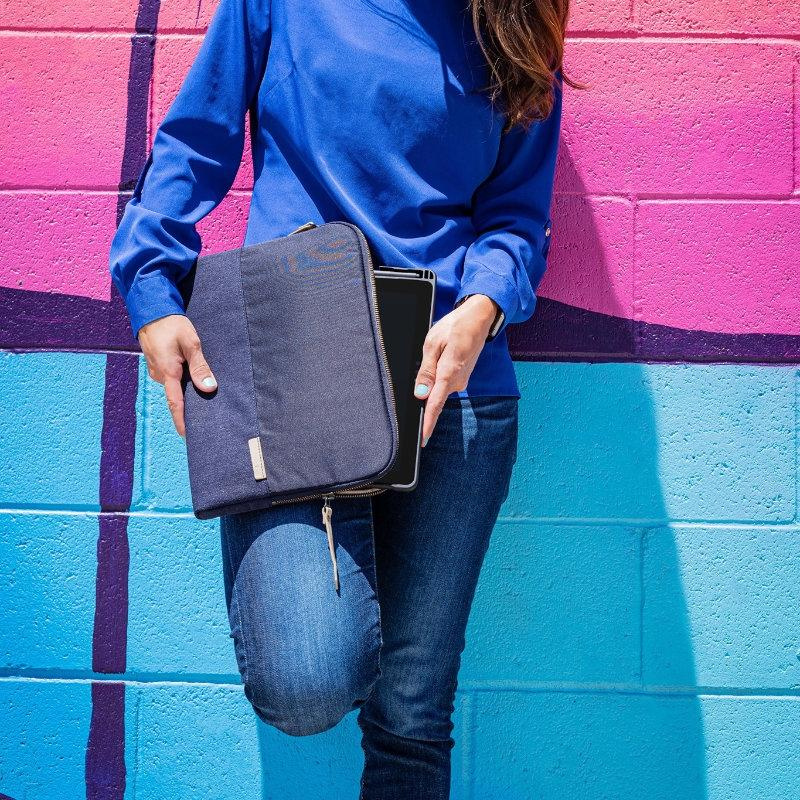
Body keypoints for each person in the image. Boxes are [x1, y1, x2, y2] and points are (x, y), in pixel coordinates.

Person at [109, 1, 575, 796]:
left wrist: (485, 303)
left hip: (452, 395)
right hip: (296, 374)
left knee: (412, 716)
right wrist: (151, 284)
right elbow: (194, 141)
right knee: (305, 681)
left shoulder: (517, 19)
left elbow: (517, 217)